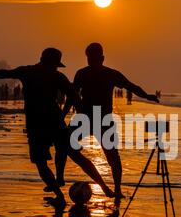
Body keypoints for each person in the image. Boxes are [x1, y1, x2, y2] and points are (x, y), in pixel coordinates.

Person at [0, 47, 114, 204]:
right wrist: (83, 116)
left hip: (36, 125)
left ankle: (59, 194)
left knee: (41, 163)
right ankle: (102, 187)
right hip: (55, 122)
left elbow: (5, 73)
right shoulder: (57, 76)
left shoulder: (27, 71)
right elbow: (75, 97)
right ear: (53, 62)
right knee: (74, 155)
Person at [65, 43, 159, 199]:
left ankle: (117, 189)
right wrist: (62, 116)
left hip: (103, 120)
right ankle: (95, 184)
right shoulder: (82, 74)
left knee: (112, 157)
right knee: (65, 145)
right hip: (84, 118)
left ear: (102, 58)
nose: (92, 62)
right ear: (87, 59)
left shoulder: (110, 74)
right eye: (89, 59)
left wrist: (147, 96)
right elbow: (73, 95)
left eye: (94, 58)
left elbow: (131, 87)